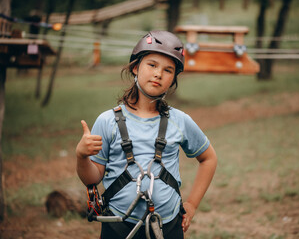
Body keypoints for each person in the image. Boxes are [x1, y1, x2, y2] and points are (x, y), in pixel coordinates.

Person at [76, 30, 217, 239]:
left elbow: (209, 158)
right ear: (135, 67)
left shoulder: (180, 121)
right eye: (152, 65)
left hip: (167, 228)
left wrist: (192, 204)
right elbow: (92, 178)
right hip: (118, 228)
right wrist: (81, 156)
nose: (159, 74)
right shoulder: (107, 121)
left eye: (168, 70)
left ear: (173, 79)